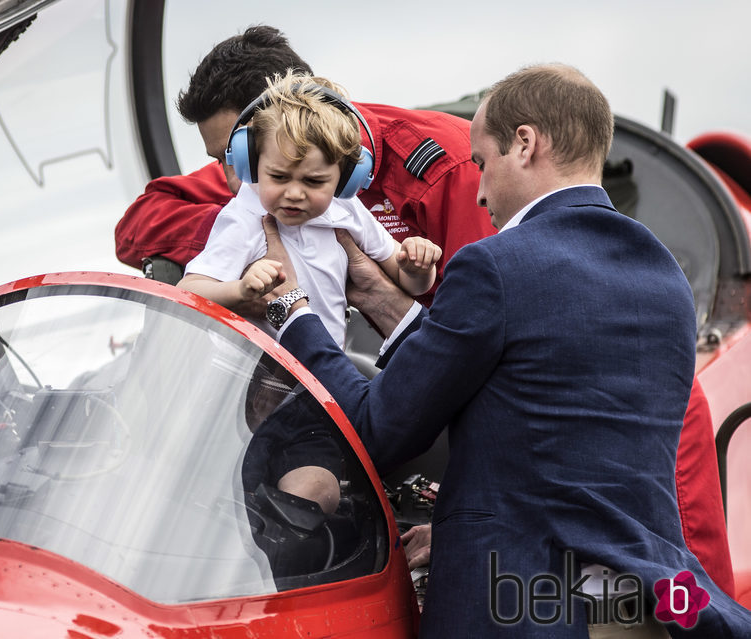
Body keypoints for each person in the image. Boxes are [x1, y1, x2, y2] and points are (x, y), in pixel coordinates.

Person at [263, 64, 751, 637]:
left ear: (525, 144)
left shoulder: (495, 265)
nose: (480, 188)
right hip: (655, 605)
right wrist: (378, 293)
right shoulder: (663, 277)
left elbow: (378, 425)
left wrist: (291, 310)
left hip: (523, 610)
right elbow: (559, 435)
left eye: (481, 162)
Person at [114, 25, 495, 306]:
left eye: (235, 153)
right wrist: (251, 235)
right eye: (227, 159)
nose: (234, 181)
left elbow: (478, 316)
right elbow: (136, 226)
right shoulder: (259, 181)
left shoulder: (451, 166)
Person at [178, 72, 441, 348]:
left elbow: (411, 283)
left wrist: (418, 267)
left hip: (323, 373)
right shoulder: (245, 218)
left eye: (314, 181)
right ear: (252, 165)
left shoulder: (346, 209)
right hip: (258, 376)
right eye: (278, 177)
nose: (293, 193)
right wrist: (240, 291)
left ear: (347, 179)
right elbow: (188, 292)